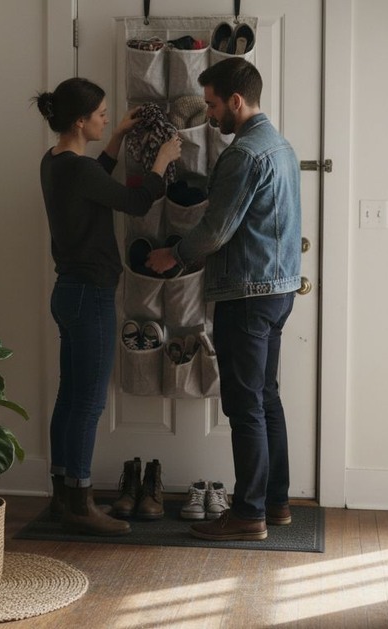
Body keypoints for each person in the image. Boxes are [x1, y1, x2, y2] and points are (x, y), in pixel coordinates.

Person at [146, 59, 301, 541]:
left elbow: (215, 232)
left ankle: (248, 513)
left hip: (247, 295)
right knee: (266, 399)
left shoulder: (244, 154)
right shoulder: (283, 147)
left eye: (213, 104)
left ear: (236, 101)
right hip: (278, 290)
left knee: (244, 405)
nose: (210, 115)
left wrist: (172, 255)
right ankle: (276, 504)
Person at [35, 78, 182, 536]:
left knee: (69, 397)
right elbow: (135, 201)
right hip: (90, 295)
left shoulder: (56, 161)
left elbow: (95, 180)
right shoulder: (78, 170)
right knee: (89, 403)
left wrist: (116, 137)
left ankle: (63, 495)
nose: (105, 118)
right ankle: (81, 503)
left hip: (69, 293)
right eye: (100, 114)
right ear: (80, 121)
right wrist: (162, 161)